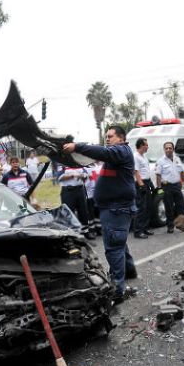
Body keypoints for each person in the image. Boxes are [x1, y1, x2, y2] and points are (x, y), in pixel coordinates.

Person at [62, 125, 137, 305]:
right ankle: (130, 271)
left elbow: (102, 152)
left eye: (110, 136)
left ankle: (118, 290)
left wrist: (77, 146)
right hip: (113, 208)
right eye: (107, 136)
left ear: (121, 138)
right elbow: (100, 153)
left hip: (116, 208)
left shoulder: (122, 151)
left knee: (114, 247)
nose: (107, 139)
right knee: (119, 242)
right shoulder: (116, 155)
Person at [55, 162, 95, 239]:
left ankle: (85, 232)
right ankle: (72, 234)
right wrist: (72, 175)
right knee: (69, 213)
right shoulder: (62, 164)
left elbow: (86, 174)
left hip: (80, 189)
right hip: (68, 191)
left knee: (83, 212)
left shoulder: (78, 163)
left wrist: (83, 176)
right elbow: (59, 177)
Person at [155, 141, 184, 233]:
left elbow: (182, 172)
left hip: (177, 185)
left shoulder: (177, 159)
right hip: (166, 187)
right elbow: (158, 175)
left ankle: (182, 225)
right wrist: (159, 188)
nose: (168, 149)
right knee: (169, 207)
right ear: (164, 149)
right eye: (166, 148)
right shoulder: (160, 161)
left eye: (170, 148)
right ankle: (170, 226)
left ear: (173, 149)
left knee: (181, 206)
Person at [133, 138, 154, 239]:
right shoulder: (136, 156)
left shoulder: (144, 157)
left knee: (148, 207)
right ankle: (138, 231)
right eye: (146, 145)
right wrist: (141, 185)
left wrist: (150, 183)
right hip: (140, 183)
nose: (148, 147)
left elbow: (146, 171)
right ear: (141, 145)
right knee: (141, 208)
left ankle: (145, 228)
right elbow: (136, 172)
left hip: (147, 182)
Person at [84, 161, 102, 236]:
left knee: (97, 211)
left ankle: (99, 228)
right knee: (90, 213)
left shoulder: (95, 167)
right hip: (88, 194)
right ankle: (91, 229)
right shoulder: (84, 169)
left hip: (96, 193)